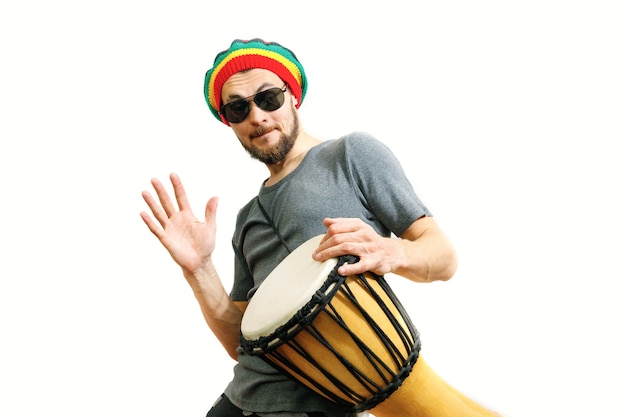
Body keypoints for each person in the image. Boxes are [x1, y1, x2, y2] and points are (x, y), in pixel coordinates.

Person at [140, 38, 494, 417]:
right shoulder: (246, 219)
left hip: (320, 407)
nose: (257, 117)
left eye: (269, 98)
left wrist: (391, 251)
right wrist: (199, 271)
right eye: (238, 108)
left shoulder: (352, 154)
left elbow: (443, 257)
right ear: (230, 122)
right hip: (237, 402)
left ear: (293, 96)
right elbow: (243, 341)